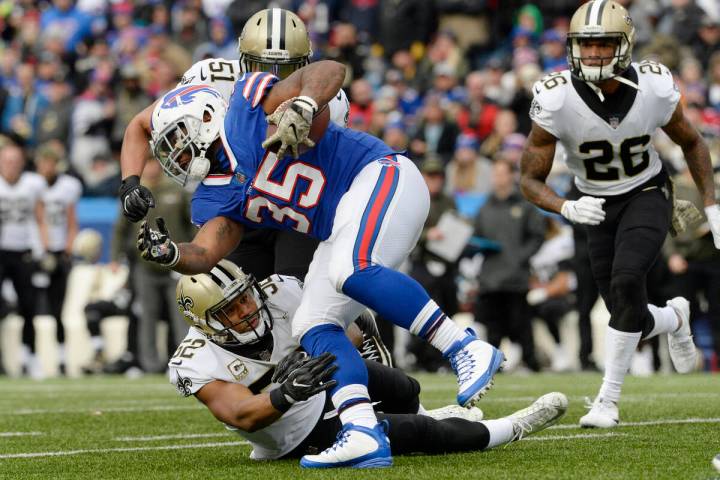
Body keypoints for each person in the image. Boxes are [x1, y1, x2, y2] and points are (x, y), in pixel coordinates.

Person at [133, 60, 505, 468]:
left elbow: (329, 68)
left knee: (351, 269)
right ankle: (362, 430)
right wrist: (170, 254)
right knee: (311, 325)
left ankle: (462, 346)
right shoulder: (214, 193)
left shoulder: (247, 107)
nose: (176, 156)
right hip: (340, 225)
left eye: (178, 142)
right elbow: (205, 253)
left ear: (203, 118)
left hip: (378, 176)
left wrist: (304, 104)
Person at [519, 0, 720, 428]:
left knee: (629, 280)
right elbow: (529, 179)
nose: (592, 54)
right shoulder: (555, 97)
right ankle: (674, 317)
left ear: (624, 45)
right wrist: (565, 205)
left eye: (603, 44)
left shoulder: (652, 86)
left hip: (646, 190)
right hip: (592, 203)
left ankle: (607, 400)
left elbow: (693, 143)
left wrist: (713, 204)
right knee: (623, 311)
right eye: (584, 44)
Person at [169, 259, 568, 462]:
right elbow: (240, 414)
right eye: (229, 310)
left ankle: (433, 415)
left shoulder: (281, 293)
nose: (246, 310)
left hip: (319, 380)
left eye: (244, 297)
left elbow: (350, 327)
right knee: (414, 435)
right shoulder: (195, 359)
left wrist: (340, 341)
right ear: (204, 323)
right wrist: (285, 395)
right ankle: (510, 427)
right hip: (294, 430)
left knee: (403, 386)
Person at [118, 8, 350, 282]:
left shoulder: (327, 98)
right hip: (236, 206)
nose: (273, 76)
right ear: (242, 59)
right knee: (224, 302)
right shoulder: (213, 77)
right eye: (262, 66)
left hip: (298, 209)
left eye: (285, 68)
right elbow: (143, 123)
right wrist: (130, 182)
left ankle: (347, 318)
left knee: (297, 296)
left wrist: (306, 105)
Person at [0, 143, 48, 378]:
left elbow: (41, 218)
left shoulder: (32, 184)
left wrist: (43, 249)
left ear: (21, 163)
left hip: (24, 252)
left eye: (14, 161)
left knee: (28, 308)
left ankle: (30, 357)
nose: (10, 165)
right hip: (0, 252)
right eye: (6, 161)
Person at [35, 141, 82, 374]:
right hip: (36, 251)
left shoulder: (67, 186)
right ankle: (34, 358)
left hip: (60, 251)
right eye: (43, 162)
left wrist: (68, 248)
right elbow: (37, 218)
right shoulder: (31, 185)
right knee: (32, 307)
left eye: (50, 162)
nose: (47, 166)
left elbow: (72, 221)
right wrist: (41, 247)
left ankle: (62, 358)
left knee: (58, 308)